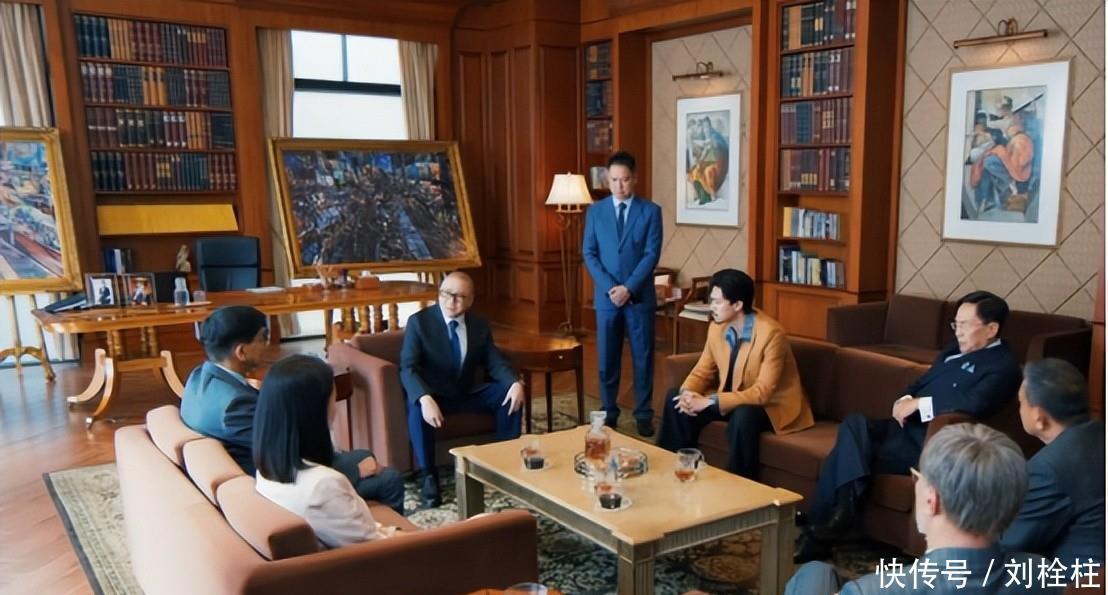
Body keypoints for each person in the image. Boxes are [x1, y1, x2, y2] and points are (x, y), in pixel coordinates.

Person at [796, 290, 1022, 560]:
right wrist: (904, 399)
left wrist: (920, 404)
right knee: (854, 423)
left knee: (843, 453)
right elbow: (918, 384)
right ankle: (842, 512)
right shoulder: (953, 351)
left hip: (926, 442)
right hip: (900, 430)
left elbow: (974, 404)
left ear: (991, 329)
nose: (958, 332)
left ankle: (823, 527)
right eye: (955, 324)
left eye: (964, 325)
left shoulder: (1003, 367)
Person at [786, 423, 1063, 595]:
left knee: (814, 572)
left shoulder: (871, 590)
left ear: (932, 500)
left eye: (917, 478)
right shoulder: (1043, 573)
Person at [181, 306, 405, 513]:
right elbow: (288, 455)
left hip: (260, 470)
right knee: (388, 477)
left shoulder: (199, 378)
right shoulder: (234, 406)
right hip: (275, 487)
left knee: (362, 456)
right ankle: (388, 540)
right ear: (241, 351)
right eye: (263, 338)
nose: (267, 345)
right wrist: (354, 470)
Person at [656, 269, 814, 478]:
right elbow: (702, 371)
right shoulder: (716, 327)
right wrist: (687, 394)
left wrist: (709, 402)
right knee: (674, 398)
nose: (711, 307)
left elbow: (762, 393)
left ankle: (740, 480)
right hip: (730, 397)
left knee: (744, 414)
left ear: (738, 305)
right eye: (711, 301)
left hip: (770, 405)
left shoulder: (771, 334)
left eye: (717, 302)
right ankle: (674, 469)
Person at [401, 271, 525, 508]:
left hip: (465, 392)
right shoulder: (420, 323)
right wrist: (425, 397)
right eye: (446, 294)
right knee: (416, 408)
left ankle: (505, 463)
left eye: (459, 297)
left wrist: (514, 383)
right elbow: (408, 367)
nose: (451, 301)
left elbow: (494, 361)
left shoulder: (479, 325)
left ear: (470, 300)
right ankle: (428, 476)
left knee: (508, 394)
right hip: (434, 395)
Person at [254, 355, 398, 548]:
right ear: (315, 410)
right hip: (374, 562)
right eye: (333, 400)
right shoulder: (324, 485)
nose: (335, 408)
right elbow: (375, 548)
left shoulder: (266, 467)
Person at [581, 151, 663, 437]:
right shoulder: (595, 212)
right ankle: (608, 411)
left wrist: (628, 288)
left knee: (643, 357)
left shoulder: (651, 211)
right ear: (607, 179)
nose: (619, 185)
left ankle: (643, 414)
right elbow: (589, 253)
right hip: (607, 299)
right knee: (606, 358)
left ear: (635, 178)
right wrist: (611, 288)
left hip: (639, 297)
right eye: (614, 180)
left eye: (625, 179)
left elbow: (651, 254)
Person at [1000, 358, 1105, 564]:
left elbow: (1010, 542)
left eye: (1021, 402)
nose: (1019, 409)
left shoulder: (1048, 469)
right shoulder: (1099, 433)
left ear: (1039, 417)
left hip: (1079, 578)